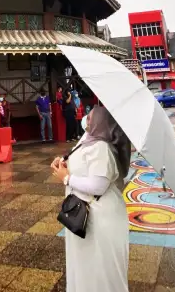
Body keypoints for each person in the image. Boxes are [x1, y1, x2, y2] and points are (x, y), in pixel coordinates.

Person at [51, 106, 130, 292]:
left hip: (99, 219)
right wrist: (63, 161)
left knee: (100, 271)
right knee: (86, 266)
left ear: (101, 123)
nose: (86, 118)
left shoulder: (101, 147)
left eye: (91, 117)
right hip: (84, 213)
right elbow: (80, 160)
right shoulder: (88, 139)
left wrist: (66, 178)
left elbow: (98, 185)